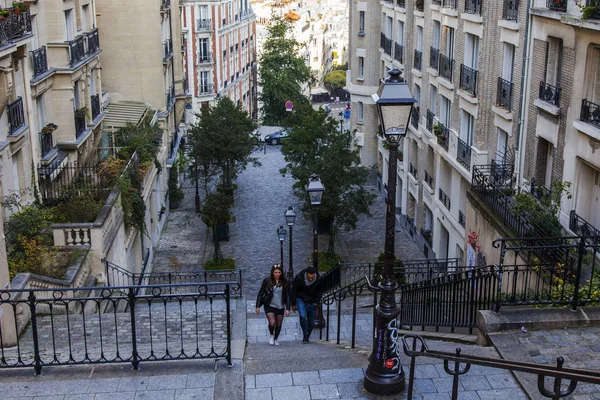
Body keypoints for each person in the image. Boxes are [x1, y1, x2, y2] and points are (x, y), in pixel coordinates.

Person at [256, 264, 290, 346]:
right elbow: (261, 293)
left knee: (278, 324)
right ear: (272, 273)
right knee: (272, 323)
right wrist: (257, 306)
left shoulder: (285, 282)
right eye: (275, 272)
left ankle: (276, 338)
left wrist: (288, 308)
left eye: (279, 272)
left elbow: (288, 295)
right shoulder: (267, 281)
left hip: (280, 306)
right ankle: (271, 334)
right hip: (269, 305)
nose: (277, 274)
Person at [291, 266, 322, 344]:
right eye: (309, 278)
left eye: (312, 278)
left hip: (312, 301)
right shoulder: (299, 278)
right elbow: (294, 290)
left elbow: (320, 291)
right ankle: (305, 334)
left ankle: (306, 336)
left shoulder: (318, 279)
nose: (311, 279)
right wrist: (293, 303)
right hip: (301, 298)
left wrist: (317, 301)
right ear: (307, 274)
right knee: (303, 315)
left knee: (311, 322)